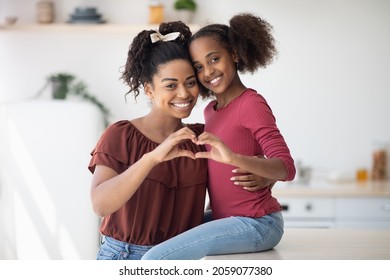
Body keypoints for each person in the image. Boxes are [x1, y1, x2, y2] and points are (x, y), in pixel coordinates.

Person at [88, 20, 265, 260]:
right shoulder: (120, 135)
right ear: (149, 89)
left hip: (179, 258)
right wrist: (152, 158)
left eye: (190, 83)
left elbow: (255, 167)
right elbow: (100, 205)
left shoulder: (203, 137)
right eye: (170, 85)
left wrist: (265, 178)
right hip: (123, 256)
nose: (184, 94)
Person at [141, 13, 296, 260]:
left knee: (154, 260)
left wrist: (238, 160)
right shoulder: (209, 111)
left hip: (257, 222)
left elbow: (286, 167)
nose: (208, 72)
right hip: (227, 218)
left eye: (214, 59)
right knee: (158, 241)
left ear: (234, 54)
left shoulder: (251, 103)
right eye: (199, 67)